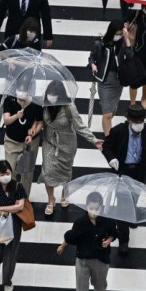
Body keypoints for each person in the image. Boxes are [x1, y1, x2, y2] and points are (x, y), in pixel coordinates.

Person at [57, 191, 118, 291]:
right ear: (86, 207)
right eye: (91, 208)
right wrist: (62, 245)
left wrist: (109, 240)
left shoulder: (108, 221)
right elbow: (71, 236)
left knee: (99, 284)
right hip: (83, 259)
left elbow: (114, 233)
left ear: (101, 207)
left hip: (101, 259)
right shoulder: (80, 223)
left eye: (97, 209)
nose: (94, 212)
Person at [102, 104, 146, 255]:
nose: (139, 124)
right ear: (128, 120)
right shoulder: (118, 131)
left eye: (141, 121)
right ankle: (123, 240)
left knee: (134, 197)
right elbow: (106, 147)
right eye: (136, 121)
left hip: (139, 171)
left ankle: (132, 215)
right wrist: (111, 159)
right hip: (122, 171)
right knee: (122, 206)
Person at [40, 81, 102, 216]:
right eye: (50, 95)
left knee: (65, 172)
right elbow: (39, 122)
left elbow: (80, 126)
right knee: (47, 171)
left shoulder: (69, 108)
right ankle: (51, 200)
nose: (52, 97)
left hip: (67, 144)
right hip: (49, 142)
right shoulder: (44, 106)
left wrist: (94, 140)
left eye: (55, 95)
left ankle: (64, 194)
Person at [0, 160, 26, 291]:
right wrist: (8, 210)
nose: (5, 176)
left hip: (13, 222)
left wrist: (1, 208)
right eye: (2, 174)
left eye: (8, 173)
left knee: (11, 251)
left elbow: (20, 206)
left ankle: (7, 280)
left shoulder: (17, 187)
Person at [2, 81, 43, 196]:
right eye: (19, 90)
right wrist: (16, 116)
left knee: (27, 172)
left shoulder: (36, 104)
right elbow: (6, 120)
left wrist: (33, 133)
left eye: (24, 91)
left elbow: (40, 122)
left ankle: (24, 198)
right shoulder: (9, 101)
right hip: (12, 141)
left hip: (29, 143)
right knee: (10, 169)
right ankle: (12, 195)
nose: (21, 93)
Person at [88, 19, 126, 136]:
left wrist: (127, 39)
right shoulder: (100, 44)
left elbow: (130, 56)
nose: (118, 36)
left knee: (113, 109)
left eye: (120, 34)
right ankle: (109, 139)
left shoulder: (123, 43)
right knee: (107, 114)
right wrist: (93, 65)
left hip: (118, 81)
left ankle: (108, 111)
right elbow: (91, 58)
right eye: (117, 34)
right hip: (104, 81)